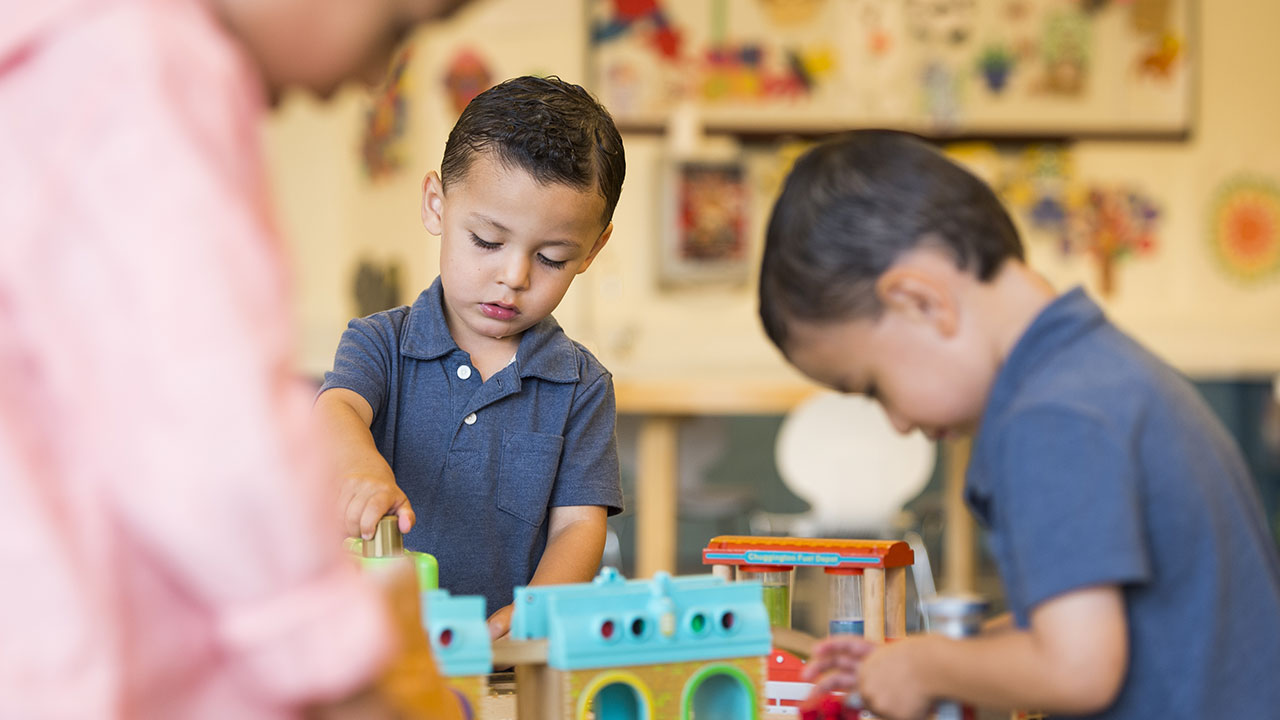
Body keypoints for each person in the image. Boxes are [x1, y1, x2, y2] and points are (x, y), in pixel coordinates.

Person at [0, 0, 471, 717]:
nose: (380, 73)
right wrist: (336, 663)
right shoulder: (142, 67)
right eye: (396, 28)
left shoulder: (63, 57)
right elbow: (211, 423)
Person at [758, 130, 1280, 720]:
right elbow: (1086, 620)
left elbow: (1077, 669)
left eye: (874, 387)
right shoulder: (1102, 377)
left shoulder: (1050, 418)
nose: (897, 424)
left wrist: (929, 669)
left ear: (920, 302)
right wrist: (924, 658)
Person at [315, 75, 626, 639]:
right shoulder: (380, 343)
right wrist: (358, 466)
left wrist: (538, 613)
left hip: (501, 657)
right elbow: (336, 409)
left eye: (553, 257)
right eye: (486, 240)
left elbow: (579, 527)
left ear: (593, 249)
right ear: (437, 205)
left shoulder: (581, 385)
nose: (514, 276)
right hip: (374, 647)